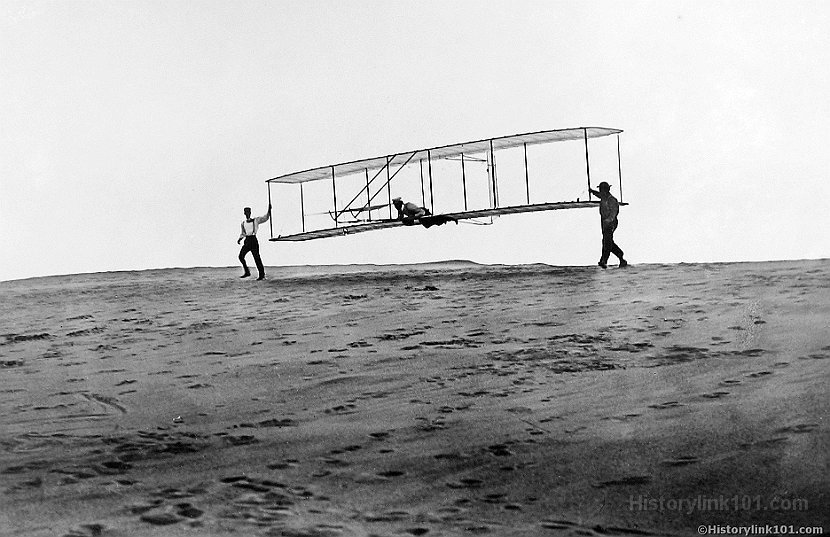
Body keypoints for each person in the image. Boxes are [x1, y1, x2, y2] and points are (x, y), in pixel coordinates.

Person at [588, 182, 627, 269]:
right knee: (608, 242)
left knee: (607, 242)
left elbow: (614, 212)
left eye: (601, 190)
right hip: (604, 222)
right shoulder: (603, 197)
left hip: (611, 223)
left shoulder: (611, 200)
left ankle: (604, 260)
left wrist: (608, 220)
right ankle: (620, 256)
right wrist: (592, 192)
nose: (600, 192)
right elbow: (598, 195)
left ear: (605, 191)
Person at [237, 204, 271, 280]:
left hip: (253, 240)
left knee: (257, 258)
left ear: (250, 212)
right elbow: (243, 233)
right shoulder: (243, 223)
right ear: (244, 213)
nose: (247, 213)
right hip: (247, 240)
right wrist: (240, 239)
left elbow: (265, 218)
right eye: (246, 212)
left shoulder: (255, 220)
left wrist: (269, 210)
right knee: (241, 256)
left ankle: (262, 275)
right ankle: (247, 272)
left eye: (248, 212)